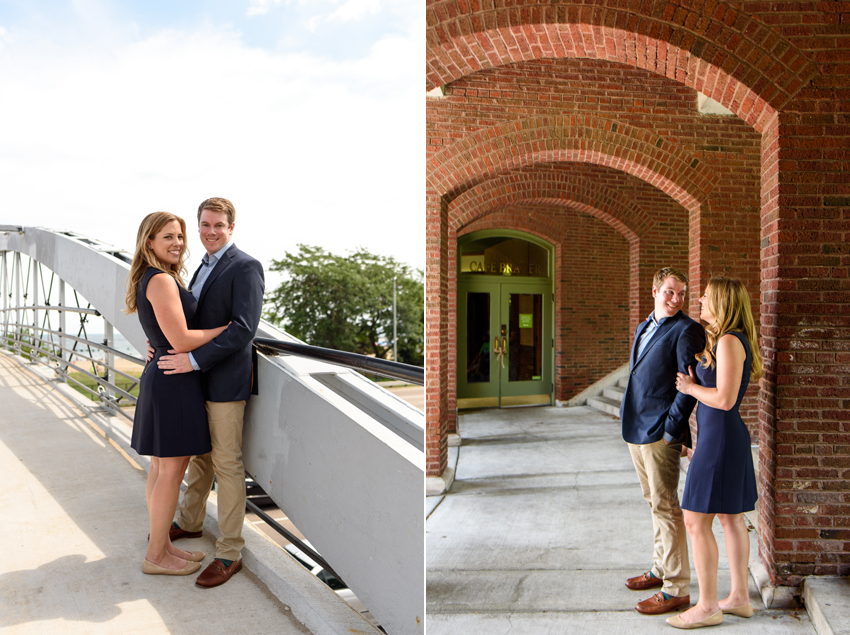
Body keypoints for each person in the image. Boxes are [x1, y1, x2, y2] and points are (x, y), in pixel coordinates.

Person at [156, 197, 265, 588]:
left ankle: (230, 551)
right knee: (200, 459)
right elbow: (185, 322)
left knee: (227, 464)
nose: (210, 232)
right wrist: (163, 345)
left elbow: (243, 329)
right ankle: (189, 521)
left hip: (223, 383)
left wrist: (195, 361)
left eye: (218, 225)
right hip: (195, 381)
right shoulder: (199, 266)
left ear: (231, 228)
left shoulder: (246, 266)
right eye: (204, 225)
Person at [125, 212, 229, 576]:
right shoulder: (162, 281)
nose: (178, 242)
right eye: (167, 236)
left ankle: (162, 543)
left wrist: (155, 344)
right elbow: (182, 340)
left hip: (163, 374)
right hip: (174, 380)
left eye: (180, 236)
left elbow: (162, 332)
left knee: (161, 466)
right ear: (149, 242)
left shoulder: (150, 278)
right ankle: (156, 556)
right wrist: (226, 328)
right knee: (171, 469)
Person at [668, 276, 762, 629]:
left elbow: (723, 400)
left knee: (695, 519)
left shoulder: (727, 341)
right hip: (718, 438)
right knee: (730, 518)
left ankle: (708, 605)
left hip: (722, 438)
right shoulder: (726, 341)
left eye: (706, 297)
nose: (701, 302)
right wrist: (700, 439)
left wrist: (691, 387)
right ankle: (739, 598)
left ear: (722, 302)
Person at [619, 266, 706, 615]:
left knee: (667, 506)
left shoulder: (688, 330)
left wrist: (672, 429)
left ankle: (676, 588)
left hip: (660, 433)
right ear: (654, 291)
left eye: (682, 293)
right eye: (670, 291)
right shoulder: (643, 327)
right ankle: (660, 569)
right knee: (653, 501)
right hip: (635, 429)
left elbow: (688, 386)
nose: (676, 299)